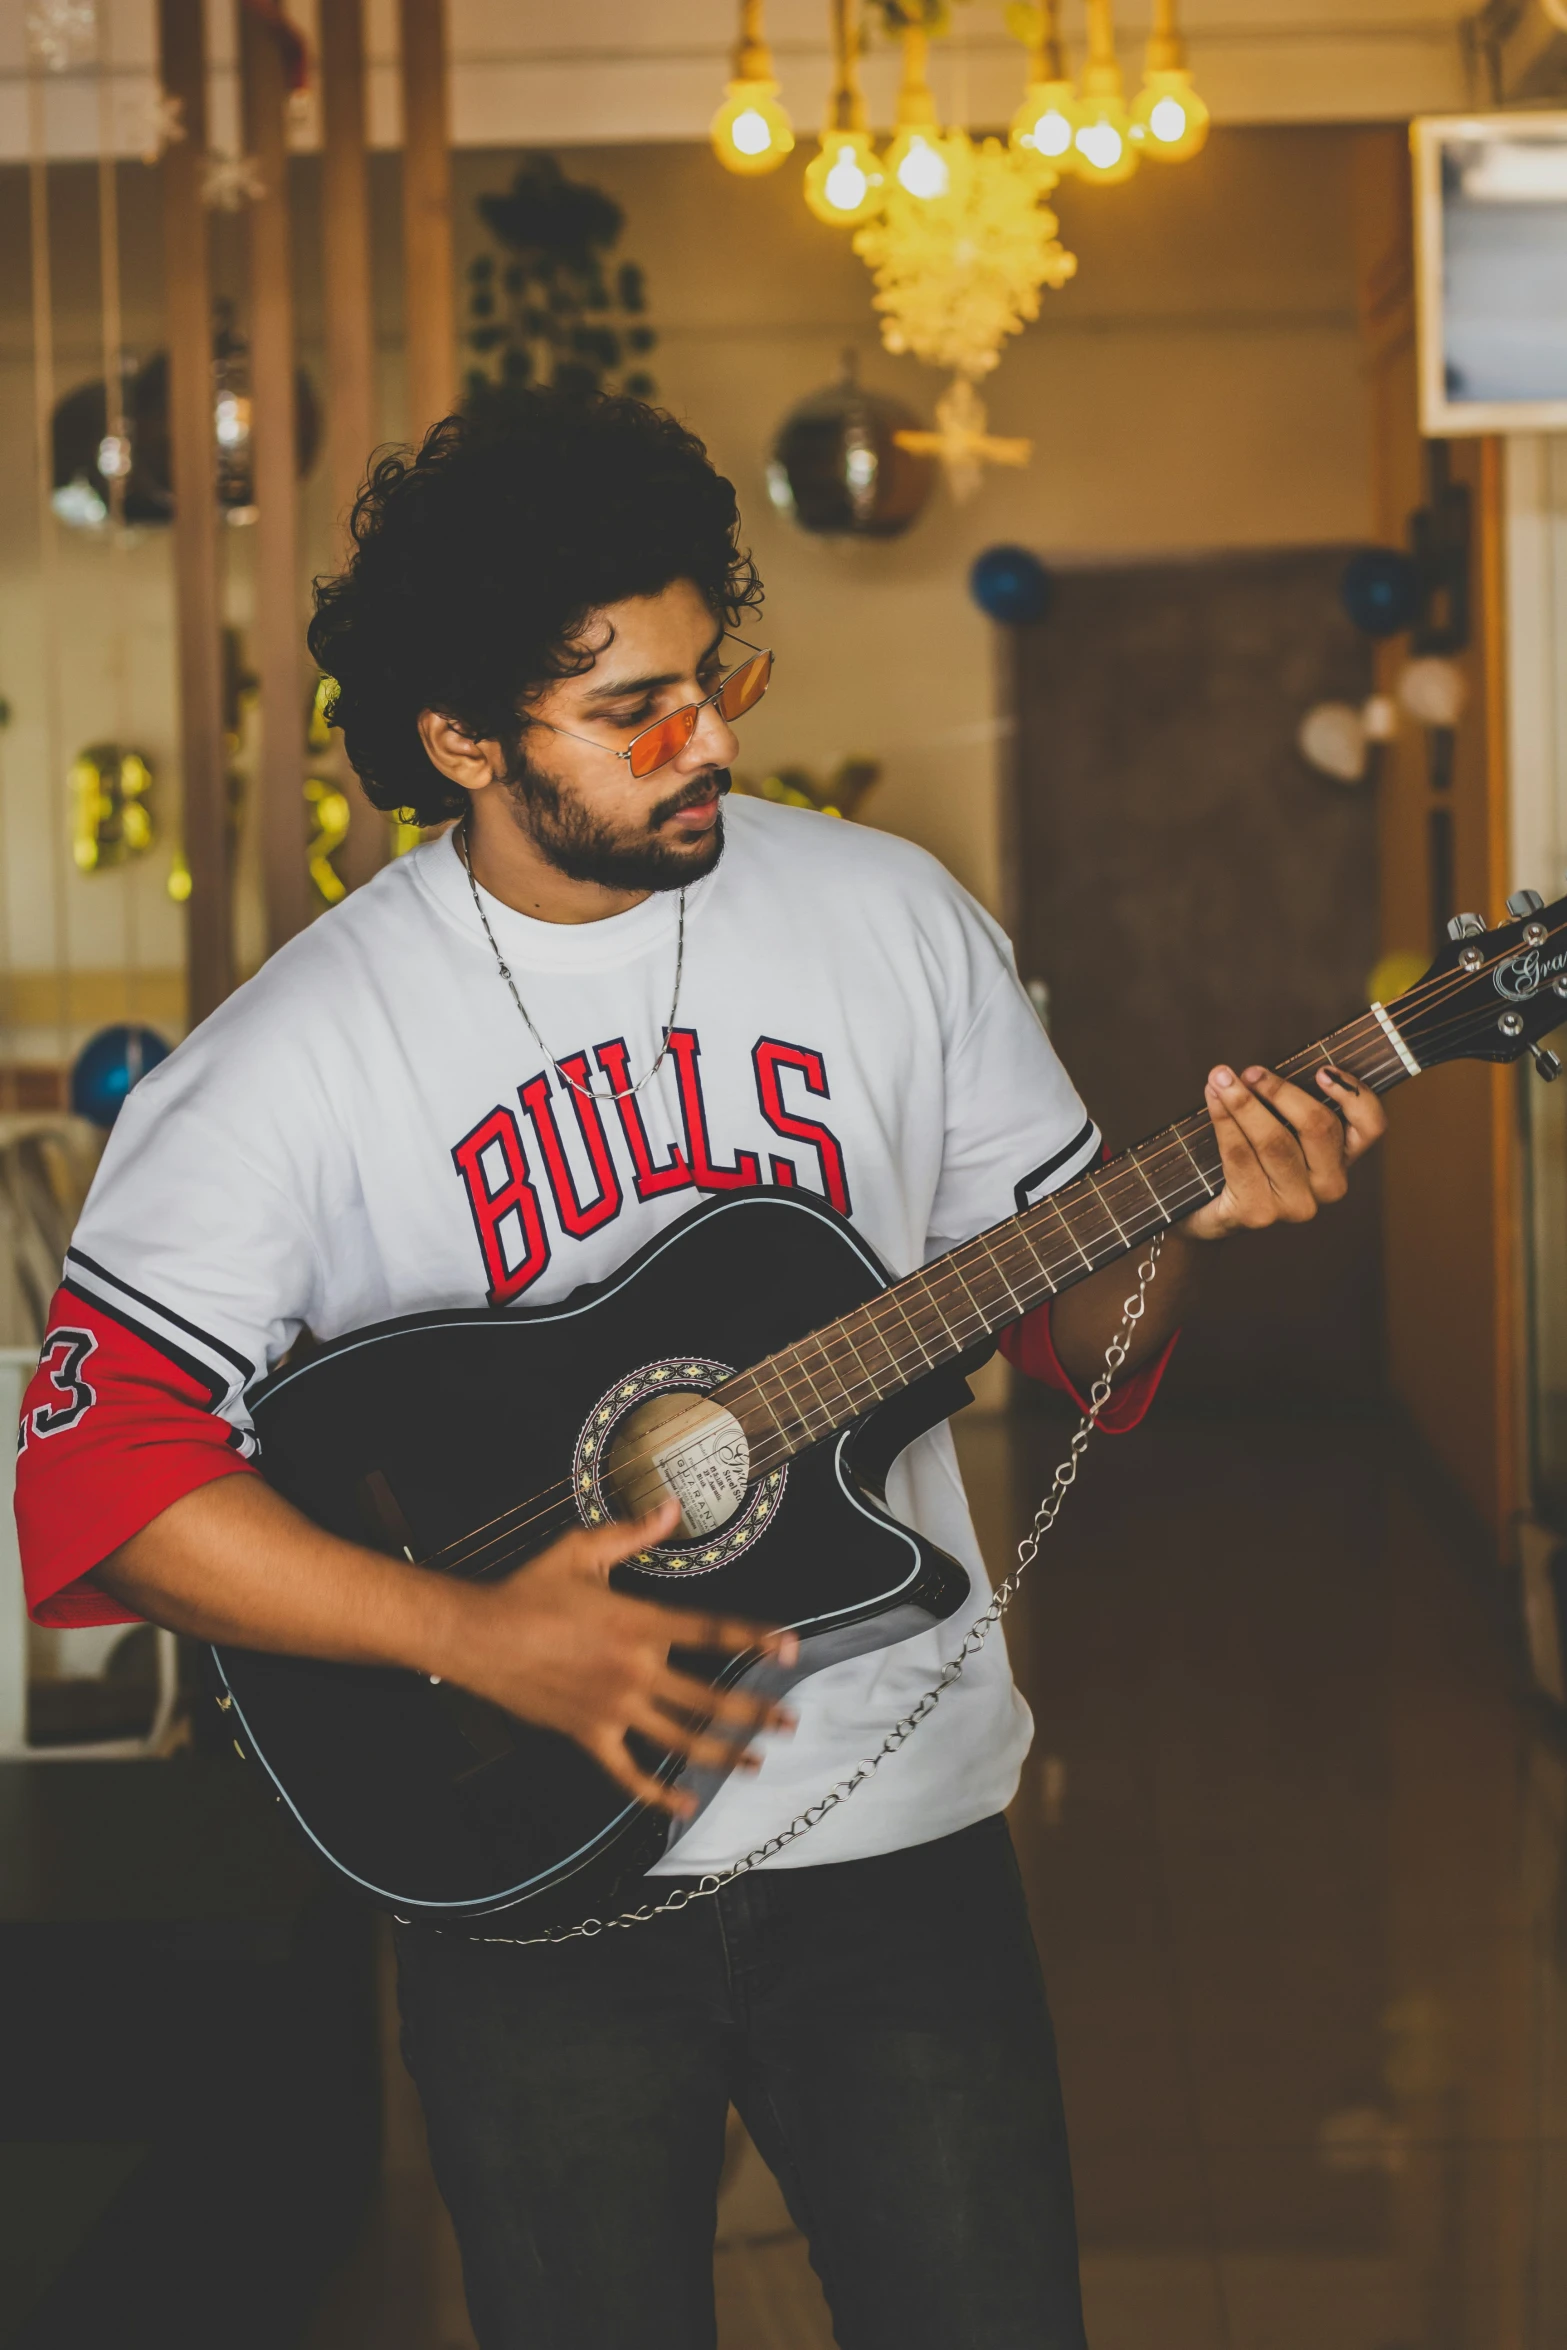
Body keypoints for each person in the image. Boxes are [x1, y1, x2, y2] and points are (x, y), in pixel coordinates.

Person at [16, 393, 1385, 2350]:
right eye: (632, 705)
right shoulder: (296, 1058)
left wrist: (1189, 1218)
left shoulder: (890, 920)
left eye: (712, 678)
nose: (710, 740)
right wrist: (479, 1633)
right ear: (461, 738)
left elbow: (1073, 1325)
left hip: (902, 1845)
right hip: (521, 1873)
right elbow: (100, 1478)